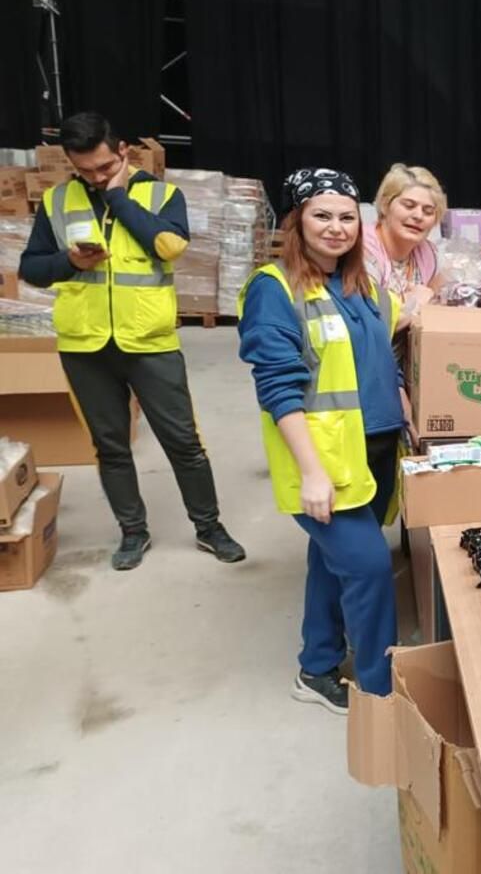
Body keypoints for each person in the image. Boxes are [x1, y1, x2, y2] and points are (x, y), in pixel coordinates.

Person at [18, 111, 246, 570]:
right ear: (70, 164)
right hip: (85, 347)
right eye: (86, 171)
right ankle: (132, 532)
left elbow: (170, 247)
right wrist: (69, 262)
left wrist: (118, 197)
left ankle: (209, 526)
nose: (97, 178)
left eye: (105, 167)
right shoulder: (58, 202)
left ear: (122, 151)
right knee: (111, 445)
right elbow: (30, 269)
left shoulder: (161, 195)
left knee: (183, 441)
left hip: (150, 342)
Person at [237, 167, 403, 711]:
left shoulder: (366, 285)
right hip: (326, 465)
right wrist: (310, 471)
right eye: (321, 215)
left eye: (347, 217)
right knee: (371, 567)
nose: (336, 227)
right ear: (296, 220)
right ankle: (382, 694)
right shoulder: (275, 288)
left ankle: (317, 668)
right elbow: (277, 387)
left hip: (375, 454)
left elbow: (385, 355)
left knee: (331, 562)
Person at [362, 162, 445, 329]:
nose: (418, 216)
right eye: (409, 206)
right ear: (385, 205)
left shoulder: (428, 253)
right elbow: (369, 323)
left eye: (428, 211)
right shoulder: (361, 250)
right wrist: (416, 302)